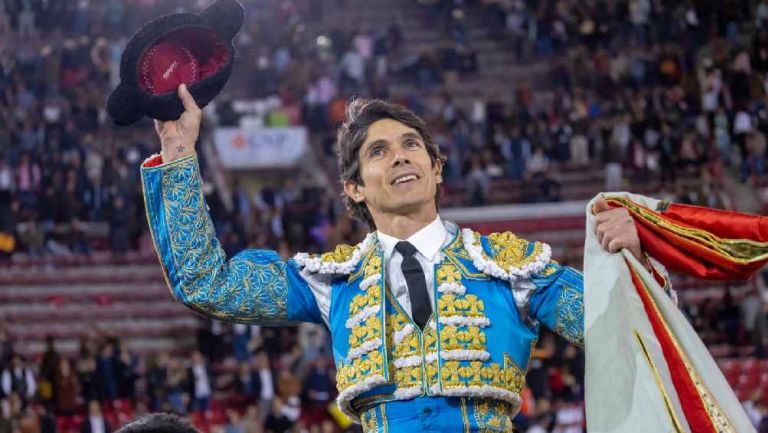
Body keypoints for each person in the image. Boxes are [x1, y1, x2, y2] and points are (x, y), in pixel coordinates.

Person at [139, 85, 657, 430]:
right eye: (378, 152)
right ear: (354, 187)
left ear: (436, 168)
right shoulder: (332, 281)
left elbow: (621, 331)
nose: (401, 156)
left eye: (412, 146)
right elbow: (208, 284)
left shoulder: (511, 266)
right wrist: (180, 153)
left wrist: (634, 258)